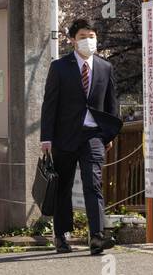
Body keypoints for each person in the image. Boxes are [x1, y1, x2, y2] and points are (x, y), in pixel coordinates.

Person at [40, 19, 120, 256]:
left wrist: (109, 133)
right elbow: (50, 105)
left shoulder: (105, 67)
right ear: (73, 40)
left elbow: (111, 104)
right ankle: (62, 236)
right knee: (63, 187)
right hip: (64, 136)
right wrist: (47, 138)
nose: (89, 40)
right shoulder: (60, 67)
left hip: (93, 135)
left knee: (93, 184)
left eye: (92, 36)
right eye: (83, 36)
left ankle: (96, 236)